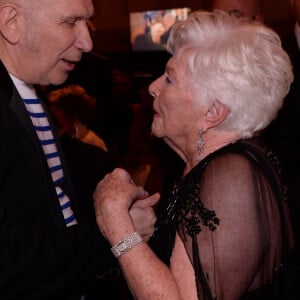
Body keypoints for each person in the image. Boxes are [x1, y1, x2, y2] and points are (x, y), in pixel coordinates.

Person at [93, 10, 296, 300]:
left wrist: (117, 225)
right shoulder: (214, 168)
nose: (152, 87)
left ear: (212, 113)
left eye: (170, 80)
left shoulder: (230, 176)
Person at [0, 0, 158, 299]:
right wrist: (115, 235)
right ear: (11, 22)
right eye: (70, 22)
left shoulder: (28, 89)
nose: (87, 42)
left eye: (87, 23)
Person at [48, 84, 109, 151]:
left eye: (57, 115)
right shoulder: (73, 139)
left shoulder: (90, 145)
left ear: (70, 115)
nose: (55, 122)